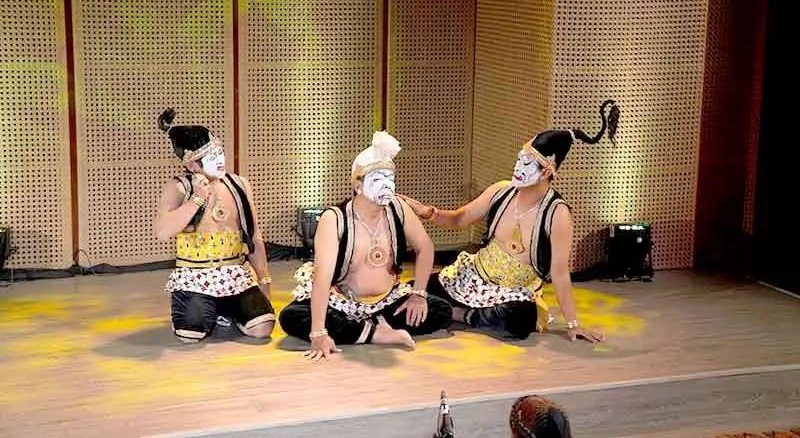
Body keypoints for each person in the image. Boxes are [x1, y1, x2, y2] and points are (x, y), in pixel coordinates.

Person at [401, 100, 619, 342]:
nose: (517, 167)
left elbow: (559, 273)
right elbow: (460, 218)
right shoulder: (502, 190)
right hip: (474, 276)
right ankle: (465, 312)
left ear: (546, 171)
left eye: (527, 163)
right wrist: (430, 212)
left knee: (520, 319)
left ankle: (461, 315)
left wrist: (573, 323)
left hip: (512, 294)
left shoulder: (557, 214)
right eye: (519, 159)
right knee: (409, 293)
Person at [279, 131, 452, 361]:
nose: (387, 186)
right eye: (378, 179)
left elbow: (425, 247)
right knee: (293, 316)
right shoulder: (335, 219)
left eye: (390, 179)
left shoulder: (398, 208)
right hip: (342, 302)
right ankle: (376, 333)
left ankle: (363, 328)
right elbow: (322, 277)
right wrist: (318, 333)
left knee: (440, 310)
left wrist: (418, 294)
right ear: (358, 185)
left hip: (387, 300)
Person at [154, 108, 275, 343]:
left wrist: (264, 279)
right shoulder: (179, 187)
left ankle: (223, 309)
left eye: (220, 152)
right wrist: (196, 199)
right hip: (196, 276)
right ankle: (198, 309)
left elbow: (254, 235)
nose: (220, 160)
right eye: (211, 157)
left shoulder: (238, 184)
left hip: (234, 273)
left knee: (263, 328)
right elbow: (162, 231)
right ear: (191, 164)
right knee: (191, 335)